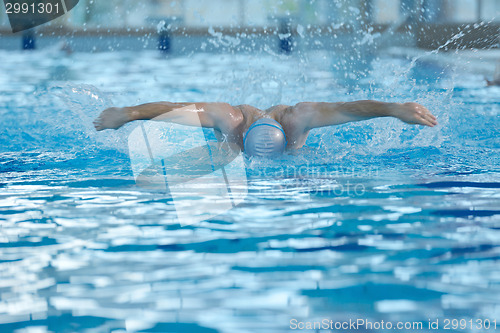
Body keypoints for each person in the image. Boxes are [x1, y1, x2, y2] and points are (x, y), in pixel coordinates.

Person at [94, 100, 438, 158]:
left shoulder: (296, 120)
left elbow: (345, 110)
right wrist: (131, 113)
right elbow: (179, 109)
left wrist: (394, 110)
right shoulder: (228, 119)